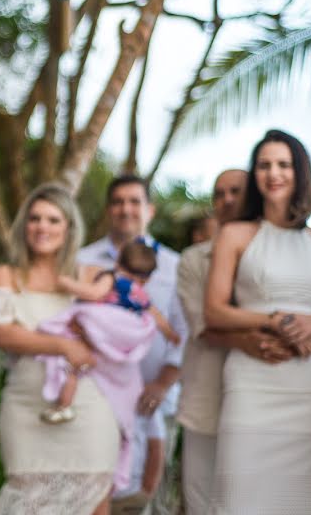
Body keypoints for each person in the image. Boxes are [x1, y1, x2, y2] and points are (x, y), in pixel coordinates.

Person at [205, 129, 311, 514]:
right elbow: (214, 311)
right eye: (264, 165)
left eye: (283, 164)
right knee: (237, 498)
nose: (273, 173)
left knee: (302, 503)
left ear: (300, 172)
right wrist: (273, 319)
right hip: (252, 383)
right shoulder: (234, 235)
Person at [0, 183, 120, 515]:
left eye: (54, 220)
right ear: (24, 225)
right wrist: (62, 344)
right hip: (27, 409)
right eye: (35, 218)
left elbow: (116, 329)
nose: (43, 227)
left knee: (96, 502)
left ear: (69, 228)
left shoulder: (91, 276)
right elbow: (3, 334)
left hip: (88, 409)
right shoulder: (6, 275)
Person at [176, 168, 299, 514]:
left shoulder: (286, 253)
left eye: (236, 191)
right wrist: (251, 340)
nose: (227, 200)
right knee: (203, 500)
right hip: (207, 398)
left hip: (274, 396)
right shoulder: (193, 259)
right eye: (219, 193)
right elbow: (203, 324)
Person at [77, 174, 187, 514]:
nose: (126, 209)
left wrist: (161, 383)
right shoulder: (83, 260)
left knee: (141, 498)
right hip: (94, 396)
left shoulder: (174, 266)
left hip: (150, 402)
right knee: (92, 491)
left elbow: (184, 333)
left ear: (149, 210)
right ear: (109, 210)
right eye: (119, 202)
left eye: (134, 201)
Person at [42, 240, 180, 424]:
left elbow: (95, 294)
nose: (133, 282)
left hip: (107, 336)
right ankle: (65, 405)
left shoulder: (119, 281)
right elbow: (153, 313)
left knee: (74, 369)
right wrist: (169, 334)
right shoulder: (125, 285)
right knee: (77, 367)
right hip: (99, 333)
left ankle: (65, 406)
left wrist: (67, 284)